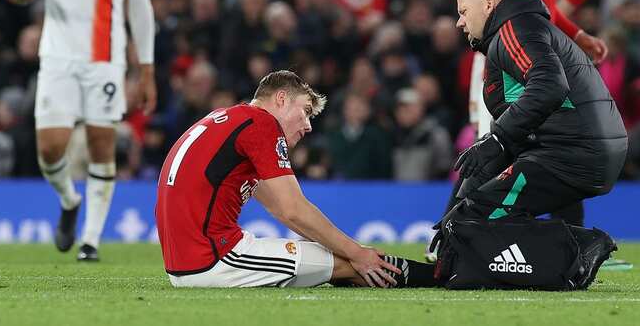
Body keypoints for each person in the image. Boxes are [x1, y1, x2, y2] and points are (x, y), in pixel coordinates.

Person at [0, 0, 156, 262]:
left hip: (105, 58)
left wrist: (147, 68)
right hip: (57, 56)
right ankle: (69, 199)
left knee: (103, 144)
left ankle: (91, 240)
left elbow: (140, 8)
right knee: (50, 150)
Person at [155, 71, 435, 288]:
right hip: (215, 259)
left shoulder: (225, 118)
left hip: (183, 263)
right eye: (306, 111)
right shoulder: (261, 123)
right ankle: (441, 276)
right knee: (348, 264)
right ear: (280, 99)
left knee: (327, 257)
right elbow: (293, 209)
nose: (308, 125)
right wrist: (357, 252)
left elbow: (279, 209)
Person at [446, 0, 626, 277]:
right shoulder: (517, 33)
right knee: (464, 222)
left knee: (473, 221)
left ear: (488, 4)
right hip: (577, 147)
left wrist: (496, 141)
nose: (459, 23)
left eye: (463, 11)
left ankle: (579, 248)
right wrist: (461, 200)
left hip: (572, 151)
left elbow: (550, 85)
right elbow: (525, 117)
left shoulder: (514, 29)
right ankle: (571, 244)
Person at [459, 0, 605, 230]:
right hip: (518, 50)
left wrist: (571, 30)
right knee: (511, 139)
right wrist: (558, 30)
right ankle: (461, 227)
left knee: (528, 136)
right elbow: (528, 4)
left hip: (505, 46)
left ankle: (570, 233)